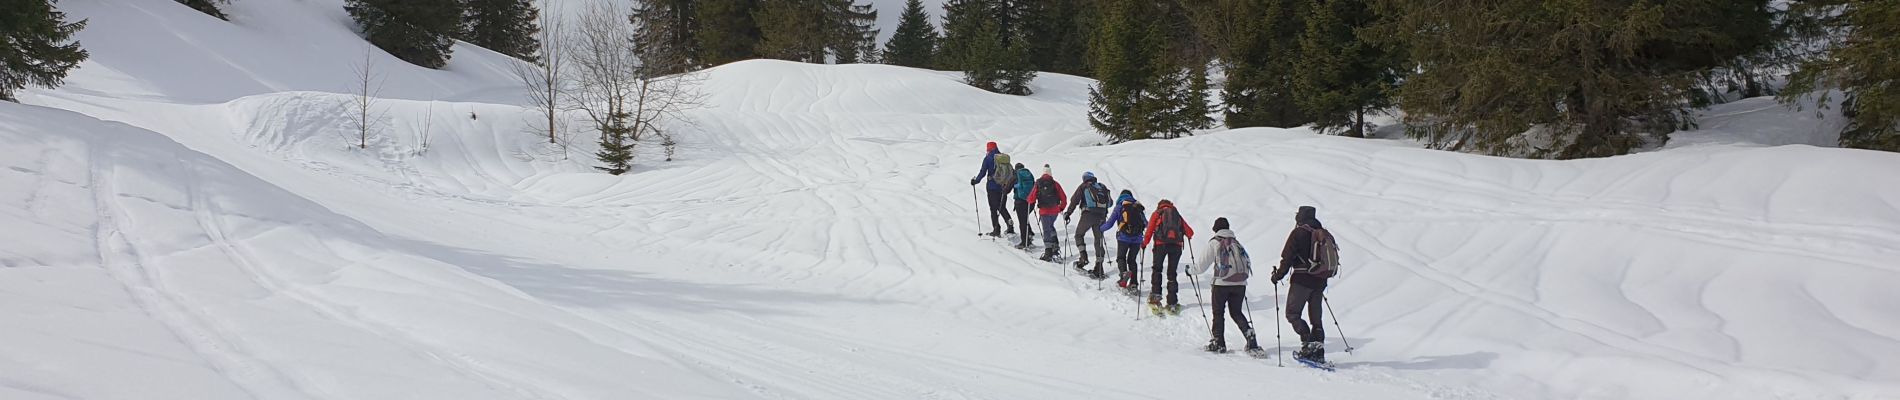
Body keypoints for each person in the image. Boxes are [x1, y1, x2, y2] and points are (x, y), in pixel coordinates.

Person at [1187, 217, 1263, 355]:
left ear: (1215, 229)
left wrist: (1189, 270)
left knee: (1218, 313)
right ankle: (1250, 335)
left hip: (1221, 284)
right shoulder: (1237, 242)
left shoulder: (1214, 243)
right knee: (1236, 312)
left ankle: (1218, 342)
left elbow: (1201, 267)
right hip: (1240, 284)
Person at [1272, 206, 1332, 364]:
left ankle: (1307, 342)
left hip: (1302, 279)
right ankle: (1318, 348)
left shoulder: (1298, 233)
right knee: (1316, 317)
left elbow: (1287, 257)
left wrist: (1278, 276)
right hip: (1320, 280)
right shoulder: (1321, 233)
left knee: (1292, 313)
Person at [1140, 199, 1194, 311]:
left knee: (1157, 269)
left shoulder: (1157, 213)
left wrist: (1144, 244)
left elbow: (1149, 230)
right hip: (1176, 246)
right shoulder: (1176, 214)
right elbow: (1190, 232)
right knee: (1172, 274)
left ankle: (1155, 297)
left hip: (1161, 245)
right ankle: (1172, 302)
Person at [1063, 172, 1112, 279]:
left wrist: (1068, 213)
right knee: (1098, 240)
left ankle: (1083, 258)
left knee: (1079, 235)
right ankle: (1099, 267)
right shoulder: (1102, 187)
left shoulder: (1084, 186)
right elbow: (1110, 203)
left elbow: (1074, 200)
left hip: (1088, 215)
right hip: (1101, 216)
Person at [1099, 190, 1147, 292]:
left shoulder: (1119, 207)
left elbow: (1109, 224)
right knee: (1132, 260)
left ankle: (1123, 275)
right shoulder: (1138, 207)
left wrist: (1100, 228)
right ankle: (1134, 284)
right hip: (1137, 238)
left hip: (1123, 237)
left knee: (1121, 257)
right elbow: (1146, 223)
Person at [968, 142, 1015, 237]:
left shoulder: (988, 158)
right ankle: (1010, 225)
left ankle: (996, 229)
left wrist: (975, 181)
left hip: (992, 187)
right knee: (1002, 207)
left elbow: (982, 172)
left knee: (993, 209)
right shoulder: (1003, 158)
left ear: (988, 149)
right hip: (1003, 187)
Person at [1023, 165, 1068, 261]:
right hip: (1054, 210)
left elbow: (1031, 198)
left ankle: (1048, 252)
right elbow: (1064, 198)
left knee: (1046, 229)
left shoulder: (1038, 183)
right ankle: (1055, 248)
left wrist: (1029, 200)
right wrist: (1061, 208)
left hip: (1044, 211)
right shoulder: (1055, 184)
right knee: (1051, 226)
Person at [1010, 163, 1037, 249]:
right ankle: (1029, 235)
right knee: (1025, 219)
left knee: (1022, 222)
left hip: (1020, 202)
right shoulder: (1029, 175)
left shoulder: (1016, 176)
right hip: (1030, 201)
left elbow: (1007, 189)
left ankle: (1025, 242)